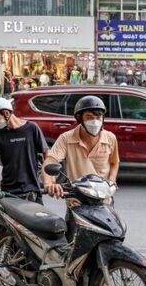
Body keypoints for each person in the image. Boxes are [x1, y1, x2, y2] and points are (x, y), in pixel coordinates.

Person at [42, 96, 119, 240]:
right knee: (74, 244)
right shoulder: (66, 138)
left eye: (98, 116)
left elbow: (114, 163)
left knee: (111, 238)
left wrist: (112, 181)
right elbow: (50, 161)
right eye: (90, 117)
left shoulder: (110, 139)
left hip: (104, 201)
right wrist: (49, 184)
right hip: (77, 202)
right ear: (79, 118)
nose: (95, 121)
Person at [0, 98, 49, 203]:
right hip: (8, 191)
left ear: (6, 113)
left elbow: (47, 155)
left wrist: (47, 180)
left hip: (32, 189)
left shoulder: (32, 128)